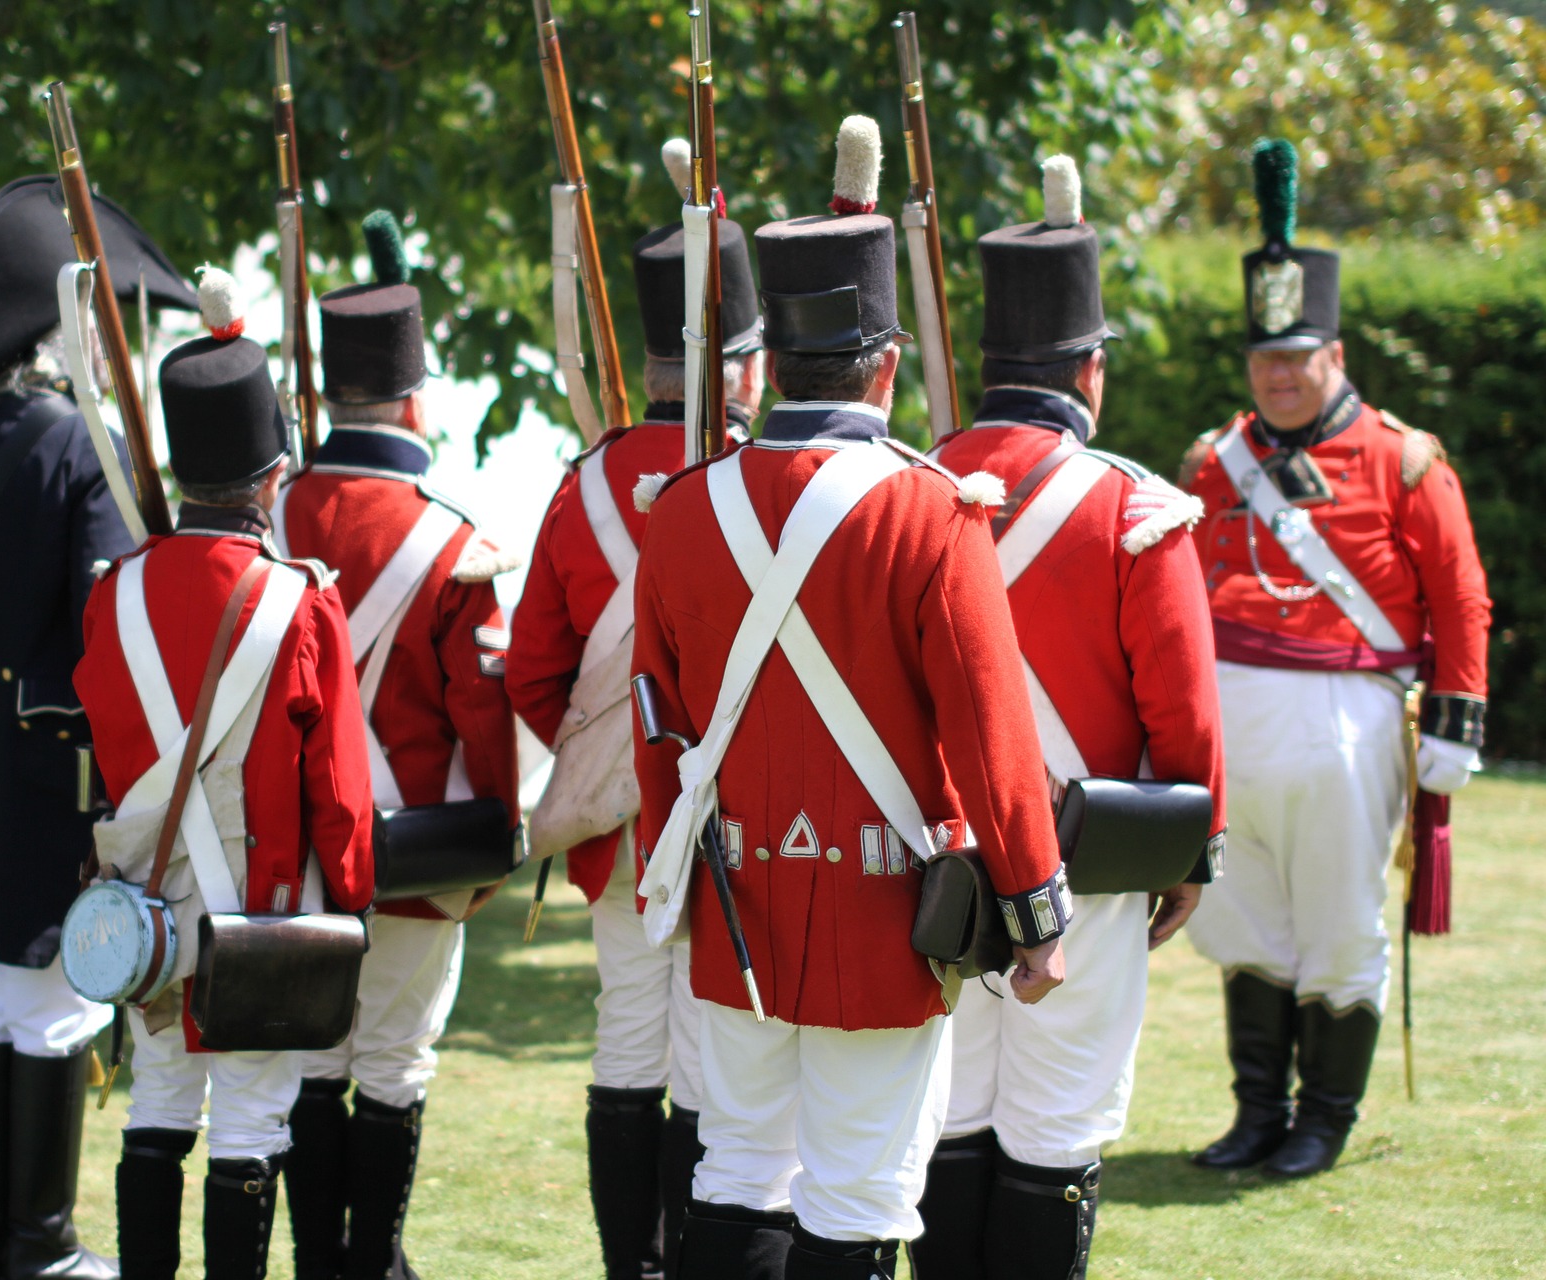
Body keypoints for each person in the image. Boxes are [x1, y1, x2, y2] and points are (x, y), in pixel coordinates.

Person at [628, 118, 1068, 1280]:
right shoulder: (936, 510)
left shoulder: (679, 511)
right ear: (885, 363)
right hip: (888, 911)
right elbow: (992, 728)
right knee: (863, 1190)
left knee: (733, 1168)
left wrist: (668, 879)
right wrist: (1033, 910)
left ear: (769, 360)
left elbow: (657, 722)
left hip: (734, 896)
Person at [913, 156, 1227, 1279]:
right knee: (1055, 1133)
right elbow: (1182, 711)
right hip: (1086, 868)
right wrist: (1190, 849)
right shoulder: (1134, 507)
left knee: (942, 1122)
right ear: (1089, 371)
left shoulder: (909, 484)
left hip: (933, 865)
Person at [0, 175, 198, 1279]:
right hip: (51, 765)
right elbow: (106, 627)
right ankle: (42, 1243)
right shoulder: (81, 445)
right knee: (59, 995)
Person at [1180, 139, 1491, 1179]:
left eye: (1297, 357)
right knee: (1248, 919)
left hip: (1346, 724)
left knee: (1338, 923)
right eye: (1264, 358)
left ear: (1337, 355)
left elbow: (1460, 596)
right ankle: (1257, 1109)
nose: (1278, 374)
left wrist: (1454, 725)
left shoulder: (1407, 458)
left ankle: (1326, 1118)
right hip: (1230, 725)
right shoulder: (1210, 462)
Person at [74, 275, 377, 1280]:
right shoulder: (297, 601)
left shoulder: (111, 595)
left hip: (144, 904)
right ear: (271, 475)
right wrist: (355, 897)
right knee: (251, 1113)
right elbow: (338, 787)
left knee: (159, 1100)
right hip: (263, 905)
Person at [505, 140, 762, 1280]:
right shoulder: (763, 479)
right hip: (743, 815)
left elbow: (529, 672)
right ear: (735, 363)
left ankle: (632, 1267)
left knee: (628, 1031)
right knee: (710, 1049)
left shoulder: (583, 481)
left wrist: (608, 750)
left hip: (620, 824)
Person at [273, 212, 521, 1280]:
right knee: (394, 1058)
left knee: (314, 1059)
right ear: (417, 400)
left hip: (287, 846)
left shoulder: (271, 516)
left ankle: (323, 1259)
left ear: (330, 396)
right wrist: (493, 841)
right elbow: (485, 721)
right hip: (414, 845)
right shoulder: (453, 538)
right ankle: (374, 1259)